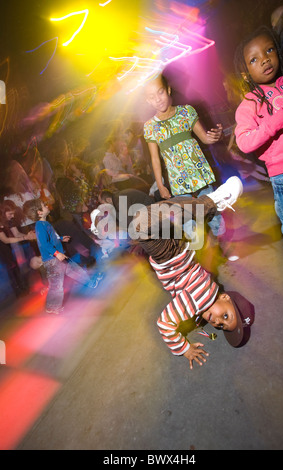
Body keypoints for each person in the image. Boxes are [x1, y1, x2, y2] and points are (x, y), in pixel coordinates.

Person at [130, 176, 254, 370]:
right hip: (171, 255)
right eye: (226, 317)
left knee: (159, 211)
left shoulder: (204, 296)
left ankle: (210, 202)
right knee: (141, 222)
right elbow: (164, 324)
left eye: (220, 326)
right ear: (225, 298)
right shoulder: (198, 301)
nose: (217, 321)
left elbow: (201, 271)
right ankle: (213, 202)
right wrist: (184, 348)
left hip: (178, 251)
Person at [144, 73, 237, 261]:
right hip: (178, 180)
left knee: (213, 211)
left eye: (160, 92)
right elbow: (155, 159)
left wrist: (215, 136)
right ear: (147, 100)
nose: (157, 99)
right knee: (187, 219)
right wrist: (161, 185)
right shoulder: (150, 127)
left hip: (199, 173)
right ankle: (200, 257)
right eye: (151, 96)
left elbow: (204, 137)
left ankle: (223, 245)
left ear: (168, 90)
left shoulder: (186, 111)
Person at [234, 25, 283, 275]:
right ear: (245, 72)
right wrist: (280, 118)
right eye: (254, 59)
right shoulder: (249, 103)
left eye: (269, 50)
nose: (264, 59)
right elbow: (245, 141)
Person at [22, 199, 102, 314]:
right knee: (56, 285)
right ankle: (51, 307)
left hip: (57, 257)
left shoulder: (45, 223)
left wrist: (60, 238)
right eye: (44, 205)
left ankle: (90, 282)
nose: (47, 205)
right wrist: (56, 253)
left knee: (75, 270)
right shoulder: (40, 226)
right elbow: (45, 244)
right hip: (52, 260)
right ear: (39, 212)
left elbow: (51, 239)